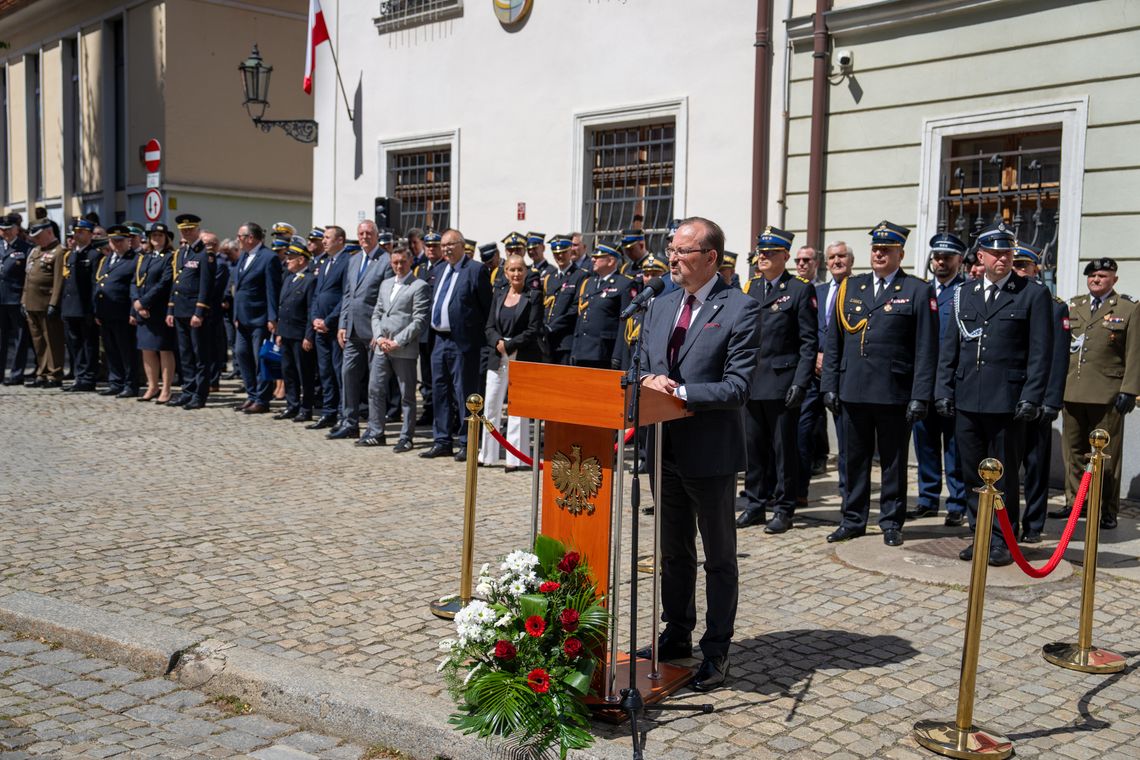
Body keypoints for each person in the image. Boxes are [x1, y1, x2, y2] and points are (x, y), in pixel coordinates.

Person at [636, 216, 761, 692]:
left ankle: (717, 648)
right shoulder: (660, 304)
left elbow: (737, 386)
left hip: (710, 453)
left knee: (719, 556)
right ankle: (677, 633)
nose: (672, 258)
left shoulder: (740, 309)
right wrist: (647, 381)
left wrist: (680, 391)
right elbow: (641, 368)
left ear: (711, 258)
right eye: (671, 250)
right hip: (663, 447)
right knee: (674, 552)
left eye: (683, 251)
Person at [934, 222, 1052, 566]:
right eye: (995, 253)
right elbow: (950, 348)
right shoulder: (964, 294)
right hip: (967, 397)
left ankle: (1004, 539)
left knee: (1003, 474)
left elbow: (1040, 352)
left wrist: (1032, 396)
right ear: (980, 256)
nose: (1002, 259)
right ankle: (980, 534)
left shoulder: (1031, 294)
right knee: (972, 473)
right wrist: (943, 389)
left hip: (1008, 401)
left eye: (1007, 253)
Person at [822, 221, 938, 548]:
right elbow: (835, 342)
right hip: (853, 390)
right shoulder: (851, 287)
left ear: (900, 254)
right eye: (875, 249)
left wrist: (920, 396)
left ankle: (891, 520)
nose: (879, 254)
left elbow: (926, 349)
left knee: (893, 461)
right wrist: (829, 385)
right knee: (853, 459)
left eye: (886, 250)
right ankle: (853, 519)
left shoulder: (916, 290)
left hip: (893, 392)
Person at [737, 227, 817, 534]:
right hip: (753, 383)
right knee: (754, 449)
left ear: (785, 256)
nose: (763, 258)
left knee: (784, 452)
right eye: (761, 253)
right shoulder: (751, 288)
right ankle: (755, 504)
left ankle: (784, 508)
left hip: (783, 383)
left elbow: (808, 342)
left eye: (770, 253)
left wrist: (801, 381)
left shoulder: (799, 289)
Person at [1053, 257, 1139, 531]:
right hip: (1073, 391)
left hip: (1108, 395)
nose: (1096, 280)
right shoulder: (1074, 305)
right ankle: (1075, 503)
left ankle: (1106, 510)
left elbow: (1135, 352)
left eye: (1102, 276)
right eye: (1092, 276)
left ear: (1114, 279)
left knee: (1105, 456)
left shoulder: (1128, 308)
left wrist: (1130, 390)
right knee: (1074, 452)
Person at [1010, 243, 1068, 543]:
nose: (1019, 270)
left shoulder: (1054, 305)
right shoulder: (1006, 299)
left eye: (1024, 266)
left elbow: (1058, 358)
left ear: (1036, 269)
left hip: (1038, 401)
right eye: (1015, 265)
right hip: (1008, 399)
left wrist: (1051, 400)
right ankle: (1005, 523)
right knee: (1006, 467)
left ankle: (1033, 524)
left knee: (1034, 466)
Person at [911, 233, 969, 527]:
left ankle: (957, 502)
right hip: (922, 382)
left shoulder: (966, 292)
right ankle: (927, 498)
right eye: (937, 257)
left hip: (954, 384)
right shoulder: (920, 291)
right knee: (925, 443)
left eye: (947, 257)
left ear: (960, 260)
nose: (941, 262)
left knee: (955, 446)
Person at [420, 228, 492, 460]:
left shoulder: (476, 270)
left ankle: (467, 441)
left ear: (462, 245)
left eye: (451, 244)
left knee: (465, 392)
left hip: (464, 342)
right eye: (443, 246)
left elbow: (486, 308)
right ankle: (442, 439)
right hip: (439, 340)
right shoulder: (439, 269)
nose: (446, 249)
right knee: (439, 390)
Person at [798, 241, 854, 505]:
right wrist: (814, 358)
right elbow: (806, 330)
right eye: (832, 257)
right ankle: (798, 491)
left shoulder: (859, 289)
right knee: (802, 431)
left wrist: (831, 360)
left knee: (847, 438)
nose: (837, 261)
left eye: (842, 256)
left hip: (843, 373)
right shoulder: (816, 291)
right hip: (813, 371)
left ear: (851, 260)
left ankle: (847, 493)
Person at [359, 246, 429, 450]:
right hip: (382, 347)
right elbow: (377, 313)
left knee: (407, 395)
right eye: (395, 262)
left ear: (410, 262)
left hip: (403, 348)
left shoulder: (418, 285)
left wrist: (398, 341)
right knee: (375, 389)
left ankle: (406, 436)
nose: (399, 266)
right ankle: (376, 431)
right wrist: (379, 336)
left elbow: (419, 320)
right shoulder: (385, 284)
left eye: (403, 262)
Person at [479, 253, 543, 470]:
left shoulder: (533, 296)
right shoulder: (498, 294)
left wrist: (510, 344)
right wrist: (498, 341)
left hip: (521, 355)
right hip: (497, 357)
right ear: (505, 272)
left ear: (526, 272)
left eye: (520, 269)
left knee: (517, 410)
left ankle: (515, 458)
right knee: (491, 405)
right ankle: (487, 455)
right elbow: (488, 326)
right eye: (512, 270)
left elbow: (534, 329)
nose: (516, 273)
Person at [332, 222, 394, 440]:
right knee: (348, 374)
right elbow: (348, 295)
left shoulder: (386, 260)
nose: (365, 237)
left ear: (376, 235)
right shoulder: (354, 259)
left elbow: (386, 299)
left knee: (375, 382)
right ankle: (350, 423)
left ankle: (375, 427)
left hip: (373, 332)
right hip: (352, 330)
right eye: (361, 233)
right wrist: (342, 324)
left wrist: (381, 331)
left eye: (369, 233)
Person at [231, 221, 281, 414]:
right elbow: (240, 288)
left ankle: (262, 399)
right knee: (241, 355)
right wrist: (235, 314)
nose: (238, 240)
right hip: (242, 318)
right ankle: (251, 395)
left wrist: (272, 317)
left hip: (260, 318)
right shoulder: (243, 256)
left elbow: (272, 290)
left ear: (250, 238)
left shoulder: (269, 258)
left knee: (260, 359)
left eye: (240, 236)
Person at [165, 215, 215, 410]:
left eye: (190, 229)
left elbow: (206, 286)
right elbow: (176, 283)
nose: (186, 232)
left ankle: (199, 394)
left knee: (199, 354)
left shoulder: (205, 253)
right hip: (180, 311)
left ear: (197, 230)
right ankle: (187, 390)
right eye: (183, 230)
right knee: (184, 354)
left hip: (195, 313)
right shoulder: (182, 253)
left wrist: (199, 312)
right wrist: (170, 309)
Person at [569, 243, 636, 368]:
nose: (593, 259)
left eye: (598, 257)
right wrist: (574, 350)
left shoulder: (624, 284)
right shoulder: (588, 283)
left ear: (611, 261)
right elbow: (581, 319)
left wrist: (618, 356)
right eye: (593, 256)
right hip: (582, 351)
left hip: (604, 352)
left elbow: (625, 324)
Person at [132, 223, 176, 403]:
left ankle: (166, 389)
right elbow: (134, 281)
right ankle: (152, 386)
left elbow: (165, 283)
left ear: (166, 238)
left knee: (164, 349)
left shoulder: (169, 257)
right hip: (142, 310)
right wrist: (136, 303)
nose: (156, 238)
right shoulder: (144, 257)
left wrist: (144, 302)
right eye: (153, 235)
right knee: (147, 349)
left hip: (158, 309)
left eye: (160, 235)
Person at [275, 242, 318, 422]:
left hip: (300, 334)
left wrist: (309, 335)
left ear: (301, 260)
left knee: (304, 373)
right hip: (286, 333)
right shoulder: (289, 278)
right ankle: (292, 405)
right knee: (288, 371)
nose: (287, 261)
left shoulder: (310, 279)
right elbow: (283, 306)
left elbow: (310, 310)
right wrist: (279, 332)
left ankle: (306, 408)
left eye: (291, 258)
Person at [93, 225, 138, 398]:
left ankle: (130, 384)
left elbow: (135, 288)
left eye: (120, 240)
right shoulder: (106, 259)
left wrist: (133, 312)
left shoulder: (135, 259)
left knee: (127, 350)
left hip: (123, 312)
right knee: (110, 350)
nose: (117, 244)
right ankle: (116, 382)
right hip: (106, 312)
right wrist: (97, 310)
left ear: (128, 241)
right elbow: (99, 285)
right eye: (113, 241)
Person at [20, 220, 66, 388]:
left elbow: (58, 281)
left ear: (49, 232)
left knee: (52, 340)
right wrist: (23, 301)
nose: (35, 240)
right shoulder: (35, 251)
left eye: (38, 236)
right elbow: (28, 277)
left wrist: (54, 303)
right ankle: (42, 372)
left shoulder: (59, 252)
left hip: (47, 303)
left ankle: (55, 373)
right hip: (31, 303)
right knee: (38, 341)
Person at [60, 218, 101, 392]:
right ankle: (79, 375)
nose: (77, 235)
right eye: (75, 232)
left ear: (90, 234)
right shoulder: (71, 254)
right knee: (74, 344)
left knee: (88, 344)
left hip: (85, 308)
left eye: (81, 232)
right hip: (71, 307)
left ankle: (88, 377)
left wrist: (93, 309)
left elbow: (95, 284)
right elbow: (67, 282)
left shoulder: (95, 255)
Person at [541, 235, 588, 365]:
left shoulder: (580, 275)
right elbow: (545, 306)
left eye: (563, 252)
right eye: (556, 253)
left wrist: (551, 328)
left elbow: (575, 309)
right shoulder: (550, 278)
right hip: (547, 341)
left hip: (566, 340)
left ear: (570, 251)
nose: (559, 256)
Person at [0, 214, 32, 385]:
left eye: (9, 229)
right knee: (1, 339)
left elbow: (28, 276)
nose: (5, 233)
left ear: (16, 229)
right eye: (3, 230)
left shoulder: (25, 248)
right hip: (0, 299)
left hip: (16, 298)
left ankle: (16, 373)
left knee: (20, 338)